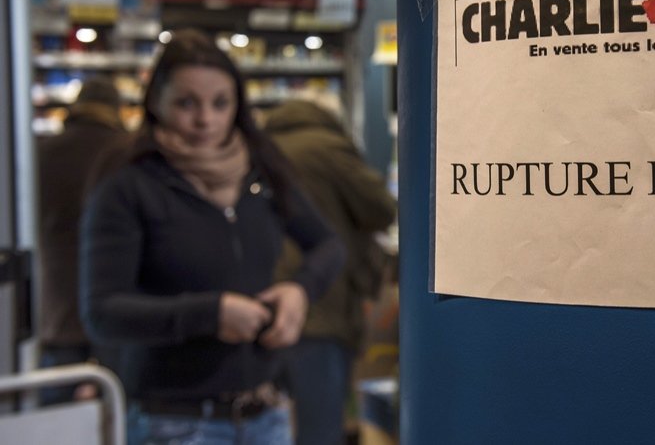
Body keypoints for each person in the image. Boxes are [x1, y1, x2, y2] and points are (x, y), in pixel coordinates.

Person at [79, 29, 346, 445]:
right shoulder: (127, 187)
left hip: (265, 413)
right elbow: (102, 313)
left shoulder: (262, 173)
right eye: (187, 103)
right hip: (174, 421)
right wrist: (210, 314)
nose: (206, 120)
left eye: (220, 103)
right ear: (156, 103)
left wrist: (300, 290)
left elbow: (329, 245)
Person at [264, 99, 396, 445]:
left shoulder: (256, 148)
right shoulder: (326, 147)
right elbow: (381, 208)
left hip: (261, 303)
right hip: (321, 300)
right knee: (319, 426)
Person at [35, 76, 130, 406]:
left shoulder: (43, 152)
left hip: (58, 308)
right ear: (116, 109)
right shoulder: (127, 152)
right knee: (119, 412)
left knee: (55, 418)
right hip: (120, 308)